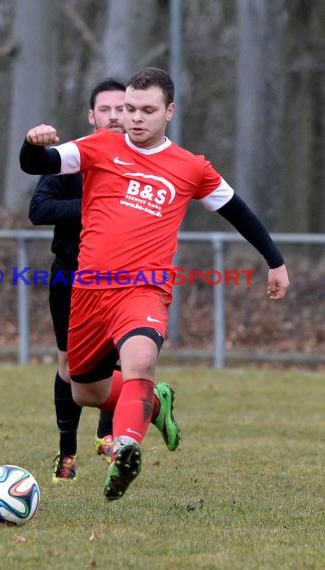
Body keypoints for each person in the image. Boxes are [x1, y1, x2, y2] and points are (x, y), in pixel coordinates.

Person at [20, 67, 290, 501]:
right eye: (129, 109)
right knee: (85, 390)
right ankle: (158, 405)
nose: (135, 118)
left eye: (147, 110)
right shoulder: (100, 146)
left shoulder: (190, 167)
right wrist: (31, 143)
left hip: (144, 287)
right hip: (88, 290)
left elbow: (237, 210)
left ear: (170, 112)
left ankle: (127, 448)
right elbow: (40, 164)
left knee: (140, 360)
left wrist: (274, 260)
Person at [29, 79, 126, 481]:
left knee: (122, 359)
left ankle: (109, 441)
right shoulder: (74, 157)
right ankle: (66, 452)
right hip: (71, 274)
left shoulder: (144, 159)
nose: (116, 116)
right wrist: (93, 207)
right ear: (92, 116)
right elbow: (39, 208)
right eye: (106, 109)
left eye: (124, 108)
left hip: (124, 277)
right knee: (71, 366)